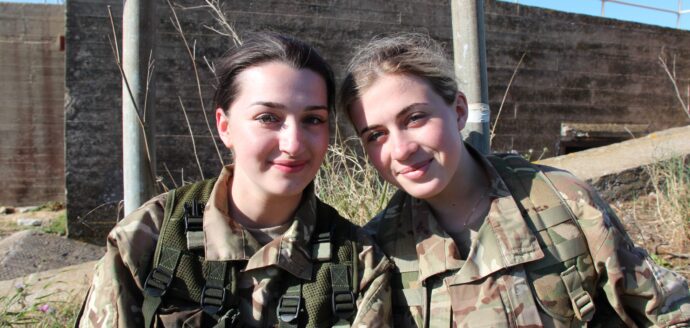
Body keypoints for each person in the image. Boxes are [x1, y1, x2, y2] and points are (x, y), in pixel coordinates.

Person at [339, 33, 690, 327]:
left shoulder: (561, 202)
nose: (400, 149)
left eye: (415, 118)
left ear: (458, 110)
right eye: (375, 135)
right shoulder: (378, 253)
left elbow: (668, 312)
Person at [77, 33, 392, 328]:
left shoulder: (357, 264)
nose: (294, 144)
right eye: (268, 118)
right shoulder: (149, 238)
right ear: (224, 127)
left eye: (313, 120)